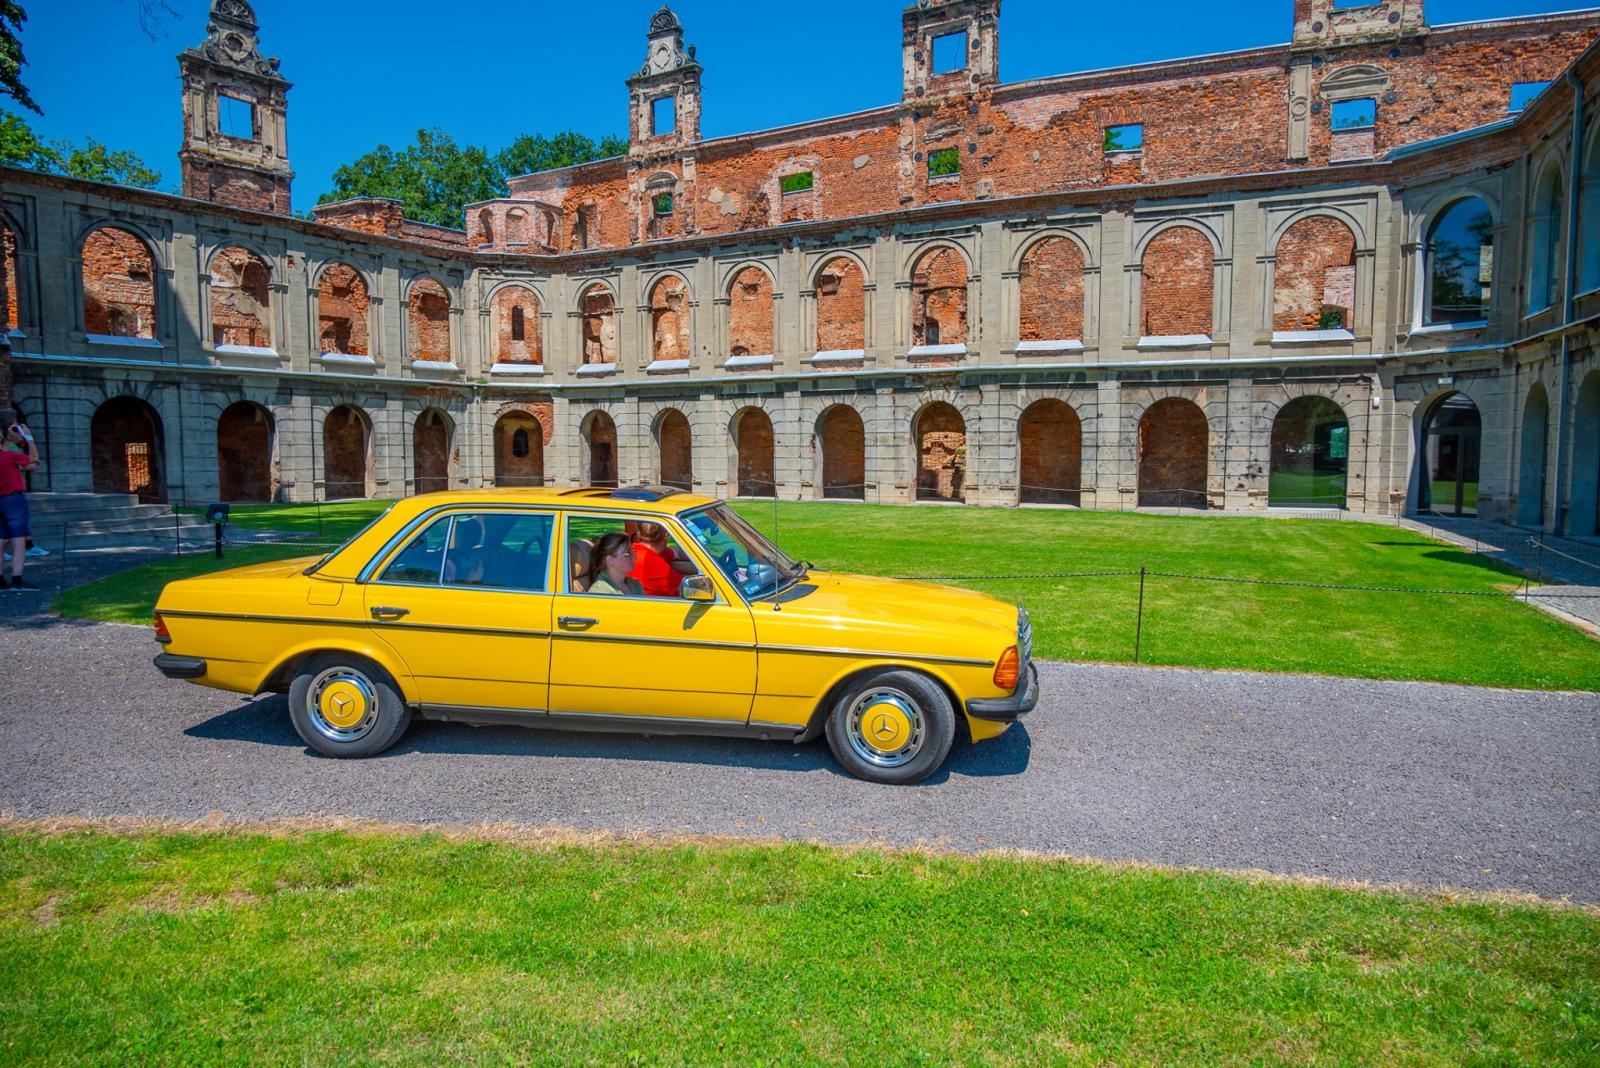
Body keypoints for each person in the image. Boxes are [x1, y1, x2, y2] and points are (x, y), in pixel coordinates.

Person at [0, 420, 41, 591]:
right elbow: (35, 460)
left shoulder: (9, 456)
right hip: (13, 500)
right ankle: (17, 580)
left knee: (1, 540)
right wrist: (28, 437)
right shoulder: (8, 456)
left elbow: (30, 466)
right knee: (19, 540)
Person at [628, 521, 694, 597]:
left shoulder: (635, 549)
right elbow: (690, 589)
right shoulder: (652, 562)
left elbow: (677, 553)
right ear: (666, 536)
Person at [587, 531, 643, 596]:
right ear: (610, 560)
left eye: (633, 551)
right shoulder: (600, 592)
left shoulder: (634, 584)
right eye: (627, 553)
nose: (634, 557)